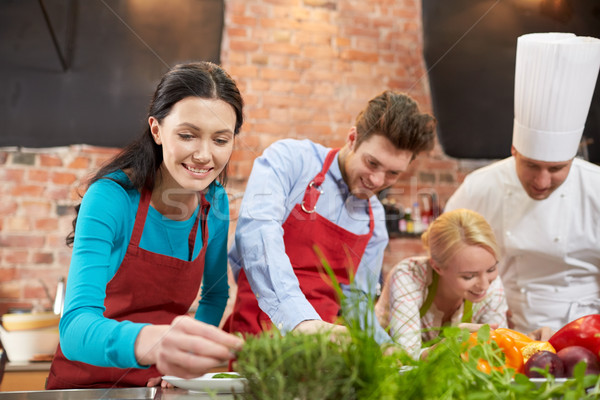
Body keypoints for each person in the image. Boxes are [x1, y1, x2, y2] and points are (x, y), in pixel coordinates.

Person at [46, 62, 245, 389]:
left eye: (221, 140)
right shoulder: (111, 197)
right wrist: (156, 342)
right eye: (187, 135)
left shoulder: (216, 203)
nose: (204, 155)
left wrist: (183, 368)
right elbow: (75, 329)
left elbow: (215, 295)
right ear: (157, 130)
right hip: (84, 387)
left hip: (158, 384)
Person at [225, 90, 437, 344]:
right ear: (352, 138)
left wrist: (388, 350)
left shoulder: (374, 220)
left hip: (322, 353)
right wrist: (300, 320)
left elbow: (357, 306)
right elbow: (256, 238)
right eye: (372, 163)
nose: (378, 181)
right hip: (256, 340)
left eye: (393, 173)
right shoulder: (290, 161)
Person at [444, 33, 600, 335]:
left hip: (589, 333)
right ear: (514, 150)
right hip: (503, 332)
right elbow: (443, 258)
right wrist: (482, 312)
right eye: (530, 165)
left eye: (556, 169)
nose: (542, 182)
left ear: (574, 156)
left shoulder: (596, 188)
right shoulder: (480, 187)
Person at [375, 209, 508, 359]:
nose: (484, 285)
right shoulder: (409, 276)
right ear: (437, 267)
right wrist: (447, 345)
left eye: (491, 269)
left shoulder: (492, 284)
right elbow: (406, 357)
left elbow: (500, 352)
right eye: (469, 276)